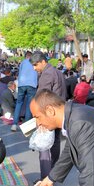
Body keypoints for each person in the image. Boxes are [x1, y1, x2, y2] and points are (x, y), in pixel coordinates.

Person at [31, 51, 67, 179]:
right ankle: (54, 174)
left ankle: (45, 177)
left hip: (47, 114)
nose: (35, 68)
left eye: (36, 65)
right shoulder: (58, 72)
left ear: (43, 62)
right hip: (59, 112)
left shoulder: (47, 74)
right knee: (55, 142)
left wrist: (38, 118)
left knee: (44, 145)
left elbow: (41, 98)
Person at [12, 51, 38, 132]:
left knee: (19, 103)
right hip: (32, 84)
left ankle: (14, 124)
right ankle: (26, 127)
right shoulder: (35, 62)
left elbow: (19, 73)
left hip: (22, 84)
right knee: (29, 104)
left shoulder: (23, 62)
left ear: (26, 56)